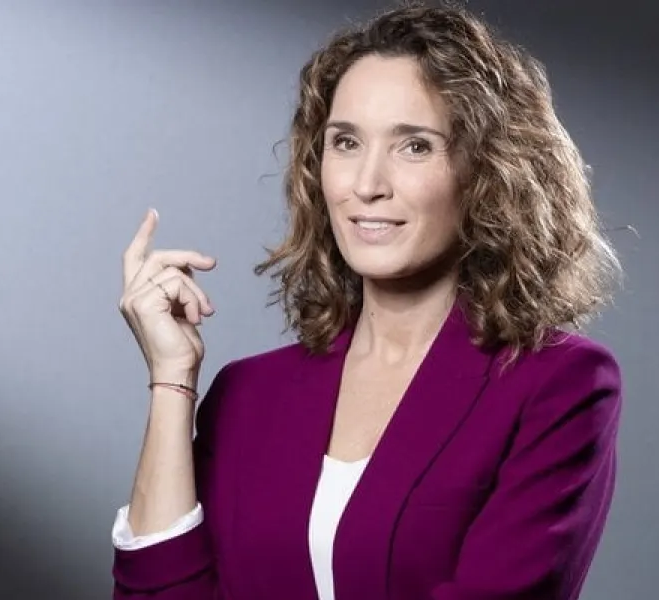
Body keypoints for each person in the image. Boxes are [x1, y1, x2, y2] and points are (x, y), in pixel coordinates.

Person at [110, 4, 624, 599]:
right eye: (346, 142)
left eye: (415, 146)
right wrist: (172, 381)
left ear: (487, 170)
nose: (366, 184)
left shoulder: (560, 386)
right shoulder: (246, 396)